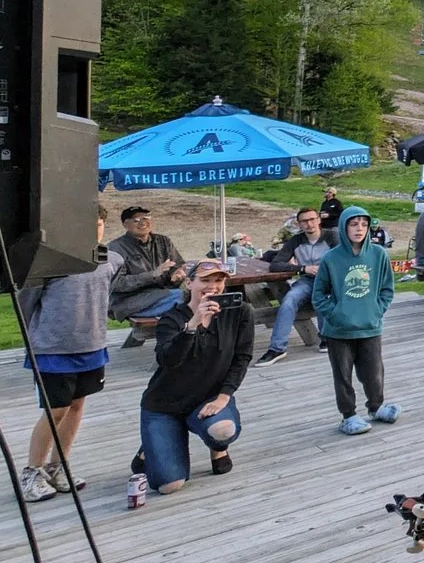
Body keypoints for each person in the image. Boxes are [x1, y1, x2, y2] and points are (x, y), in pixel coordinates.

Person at [17, 204, 124, 502]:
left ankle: (58, 465)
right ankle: (32, 471)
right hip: (53, 348)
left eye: (99, 223)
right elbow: (26, 302)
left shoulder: (112, 260)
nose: (94, 229)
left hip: (92, 345)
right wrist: (32, 338)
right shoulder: (47, 263)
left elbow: (106, 292)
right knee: (55, 409)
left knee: (77, 407)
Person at [135, 260, 253, 493]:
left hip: (207, 398)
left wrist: (224, 396)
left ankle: (218, 448)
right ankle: (150, 446)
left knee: (223, 430)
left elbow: (242, 357)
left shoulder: (240, 312)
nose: (212, 286)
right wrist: (193, 324)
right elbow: (168, 360)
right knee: (170, 485)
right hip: (165, 404)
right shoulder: (171, 319)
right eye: (205, 280)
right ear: (189, 283)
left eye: (218, 280)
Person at [312, 206, 401, 435]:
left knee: (374, 372)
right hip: (339, 331)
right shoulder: (331, 259)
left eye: (364, 224)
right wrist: (336, 314)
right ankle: (348, 415)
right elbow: (318, 295)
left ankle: (376, 406)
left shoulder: (379, 254)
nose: (359, 229)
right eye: (353, 224)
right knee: (343, 375)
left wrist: (376, 310)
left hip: (370, 326)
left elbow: (387, 289)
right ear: (343, 227)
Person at [256, 207, 334, 366]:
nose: (309, 224)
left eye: (312, 219)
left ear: (319, 220)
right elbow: (276, 264)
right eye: (304, 221)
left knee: (322, 297)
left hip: (330, 281)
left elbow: (344, 257)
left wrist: (326, 270)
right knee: (288, 299)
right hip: (307, 280)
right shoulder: (296, 240)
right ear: (299, 225)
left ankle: (327, 338)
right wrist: (302, 268)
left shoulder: (332, 236)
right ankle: (277, 348)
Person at [108, 205, 187, 347]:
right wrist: (153, 275)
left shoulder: (163, 241)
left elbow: (178, 264)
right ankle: (178, 343)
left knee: (199, 294)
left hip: (162, 296)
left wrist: (176, 273)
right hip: (130, 303)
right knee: (185, 299)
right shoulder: (115, 248)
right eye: (136, 219)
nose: (143, 222)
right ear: (126, 224)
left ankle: (183, 339)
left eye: (146, 218)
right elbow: (116, 284)